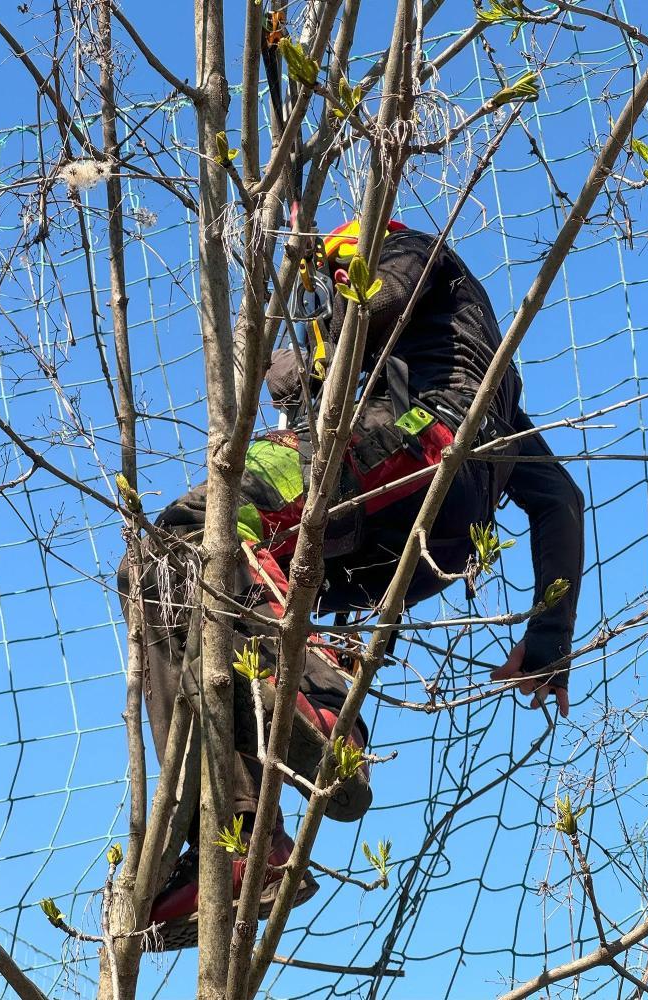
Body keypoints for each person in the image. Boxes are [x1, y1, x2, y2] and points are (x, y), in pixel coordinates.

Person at [117, 219, 585, 948]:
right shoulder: (496, 389)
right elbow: (560, 499)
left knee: (186, 538)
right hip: (430, 534)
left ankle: (322, 705)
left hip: (410, 443)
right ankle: (252, 844)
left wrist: (305, 358)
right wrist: (550, 639)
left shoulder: (406, 247)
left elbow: (375, 301)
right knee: (225, 605)